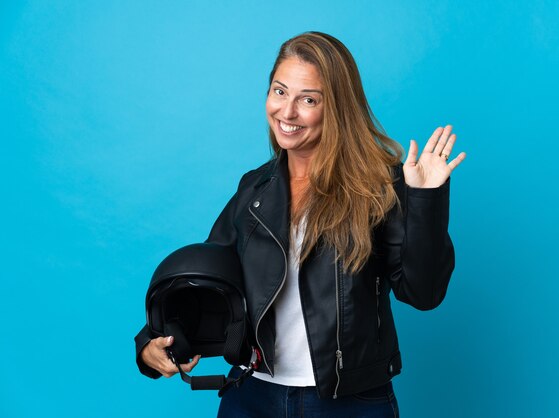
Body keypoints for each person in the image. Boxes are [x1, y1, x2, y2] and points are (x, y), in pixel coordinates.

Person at [135, 31, 465, 417]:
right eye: (279, 92)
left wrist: (425, 198)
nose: (286, 112)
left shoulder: (377, 187)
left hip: (351, 403)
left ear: (337, 108)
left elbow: (423, 294)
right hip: (252, 396)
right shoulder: (255, 189)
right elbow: (208, 283)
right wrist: (152, 341)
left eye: (308, 99)